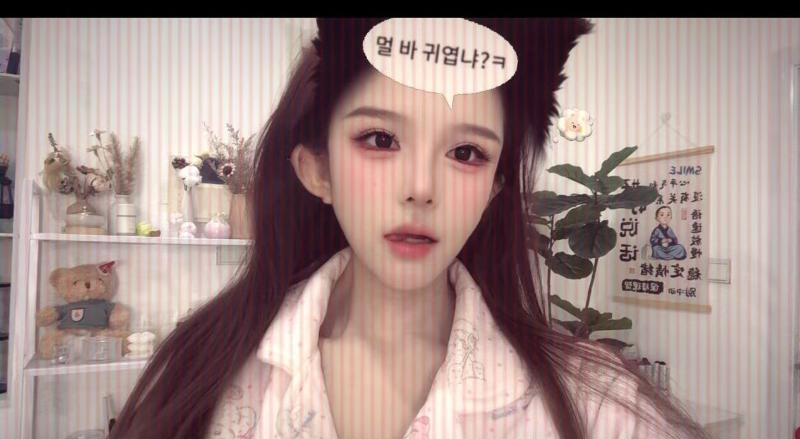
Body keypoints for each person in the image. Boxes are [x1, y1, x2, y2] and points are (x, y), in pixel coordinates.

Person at [110, 18, 709, 439]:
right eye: (380, 139)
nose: (421, 188)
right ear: (318, 170)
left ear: (494, 188)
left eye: (467, 153)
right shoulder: (200, 375)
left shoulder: (598, 406)